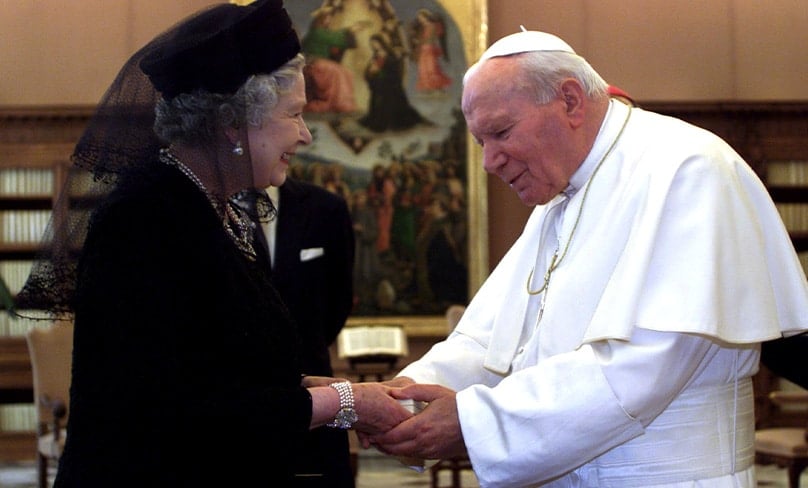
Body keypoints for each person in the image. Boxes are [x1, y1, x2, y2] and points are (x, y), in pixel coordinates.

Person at [366, 30, 808, 487]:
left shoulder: (688, 169)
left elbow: (643, 367)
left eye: (499, 132)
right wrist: (401, 396)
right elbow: (489, 341)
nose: (489, 162)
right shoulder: (559, 197)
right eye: (480, 142)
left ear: (571, 101)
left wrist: (473, 422)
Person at [14, 1, 411, 486]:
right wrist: (346, 402)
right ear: (234, 122)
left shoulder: (205, 207)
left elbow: (226, 370)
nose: (306, 136)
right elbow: (176, 404)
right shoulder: (143, 217)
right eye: (295, 114)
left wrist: (346, 395)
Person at [265, 178, 356, 486]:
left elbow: (339, 297)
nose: (303, 134)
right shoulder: (202, 211)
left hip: (314, 386)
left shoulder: (325, 208)